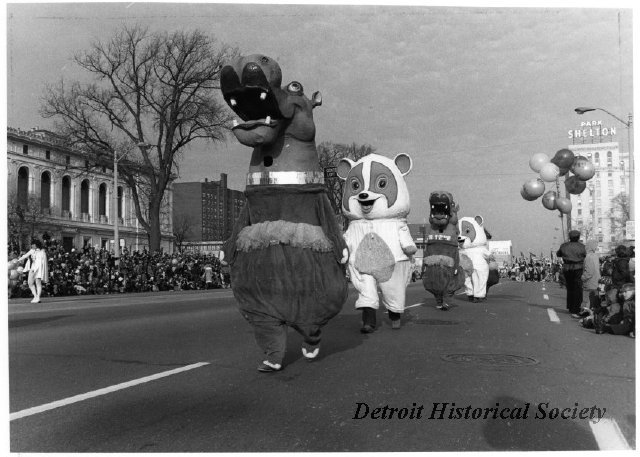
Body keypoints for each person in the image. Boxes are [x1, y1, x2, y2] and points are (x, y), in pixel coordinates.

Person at [556, 230, 586, 317]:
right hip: (578, 268)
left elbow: (558, 254)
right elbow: (585, 255)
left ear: (569, 237)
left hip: (567, 268)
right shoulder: (582, 246)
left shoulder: (564, 246)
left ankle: (570, 306)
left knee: (570, 287)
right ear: (578, 237)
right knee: (578, 288)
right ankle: (576, 307)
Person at [18, 239, 49, 303]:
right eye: (32, 244)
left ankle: (38, 297)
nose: (32, 245)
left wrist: (40, 270)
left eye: (33, 244)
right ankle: (35, 296)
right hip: (32, 268)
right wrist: (18, 260)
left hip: (38, 269)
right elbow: (25, 255)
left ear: (36, 245)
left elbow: (42, 263)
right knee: (30, 283)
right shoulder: (32, 251)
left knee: (38, 283)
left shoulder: (42, 252)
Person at [580, 239, 601, 314]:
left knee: (588, 299)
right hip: (596, 281)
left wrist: (583, 277)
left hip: (590, 281)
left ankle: (585, 313)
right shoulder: (595, 256)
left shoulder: (588, 257)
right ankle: (590, 313)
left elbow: (589, 271)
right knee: (593, 299)